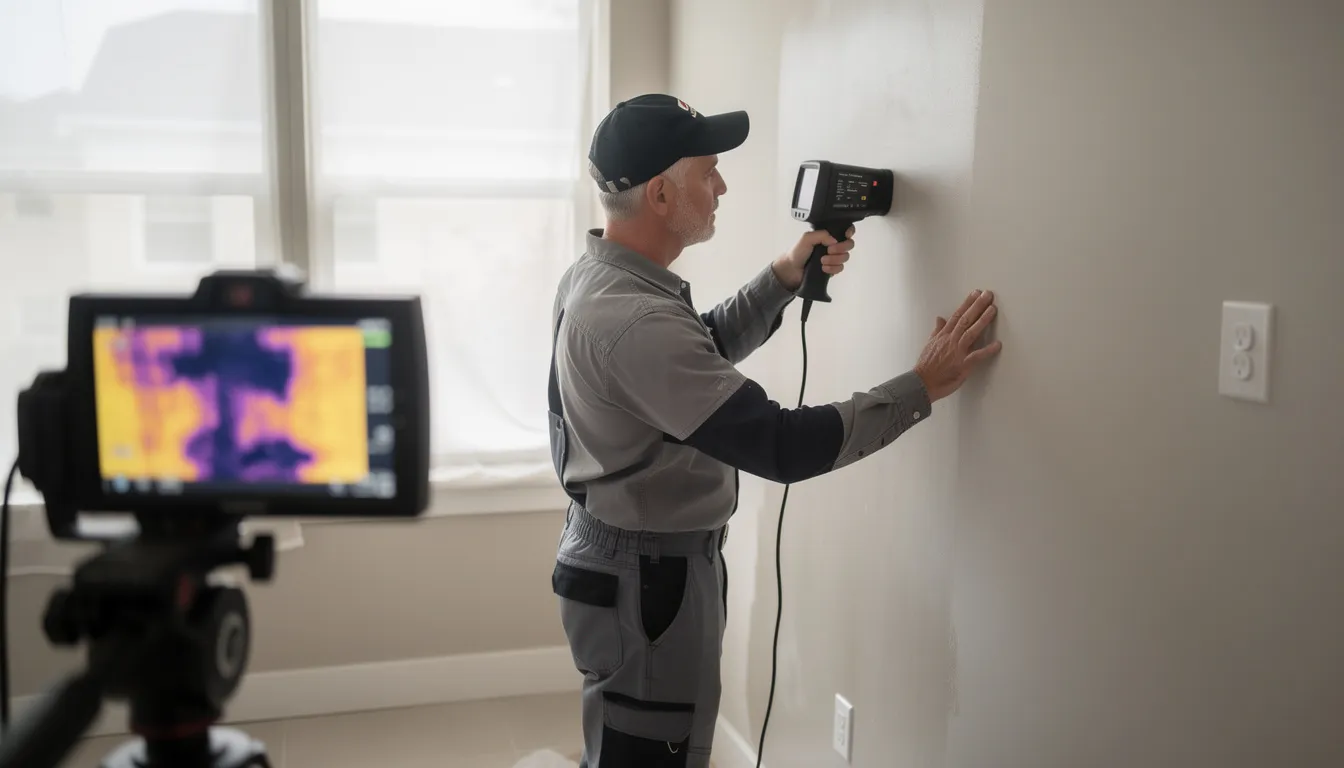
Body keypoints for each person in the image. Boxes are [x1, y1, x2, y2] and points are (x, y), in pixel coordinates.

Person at [547, 94, 1001, 767]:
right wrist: (919, 387)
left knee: (637, 746)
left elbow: (692, 356)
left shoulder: (606, 279)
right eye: (709, 172)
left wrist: (785, 276)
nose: (722, 186)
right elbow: (780, 444)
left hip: (633, 560)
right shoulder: (632, 319)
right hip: (645, 576)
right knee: (647, 756)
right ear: (663, 195)